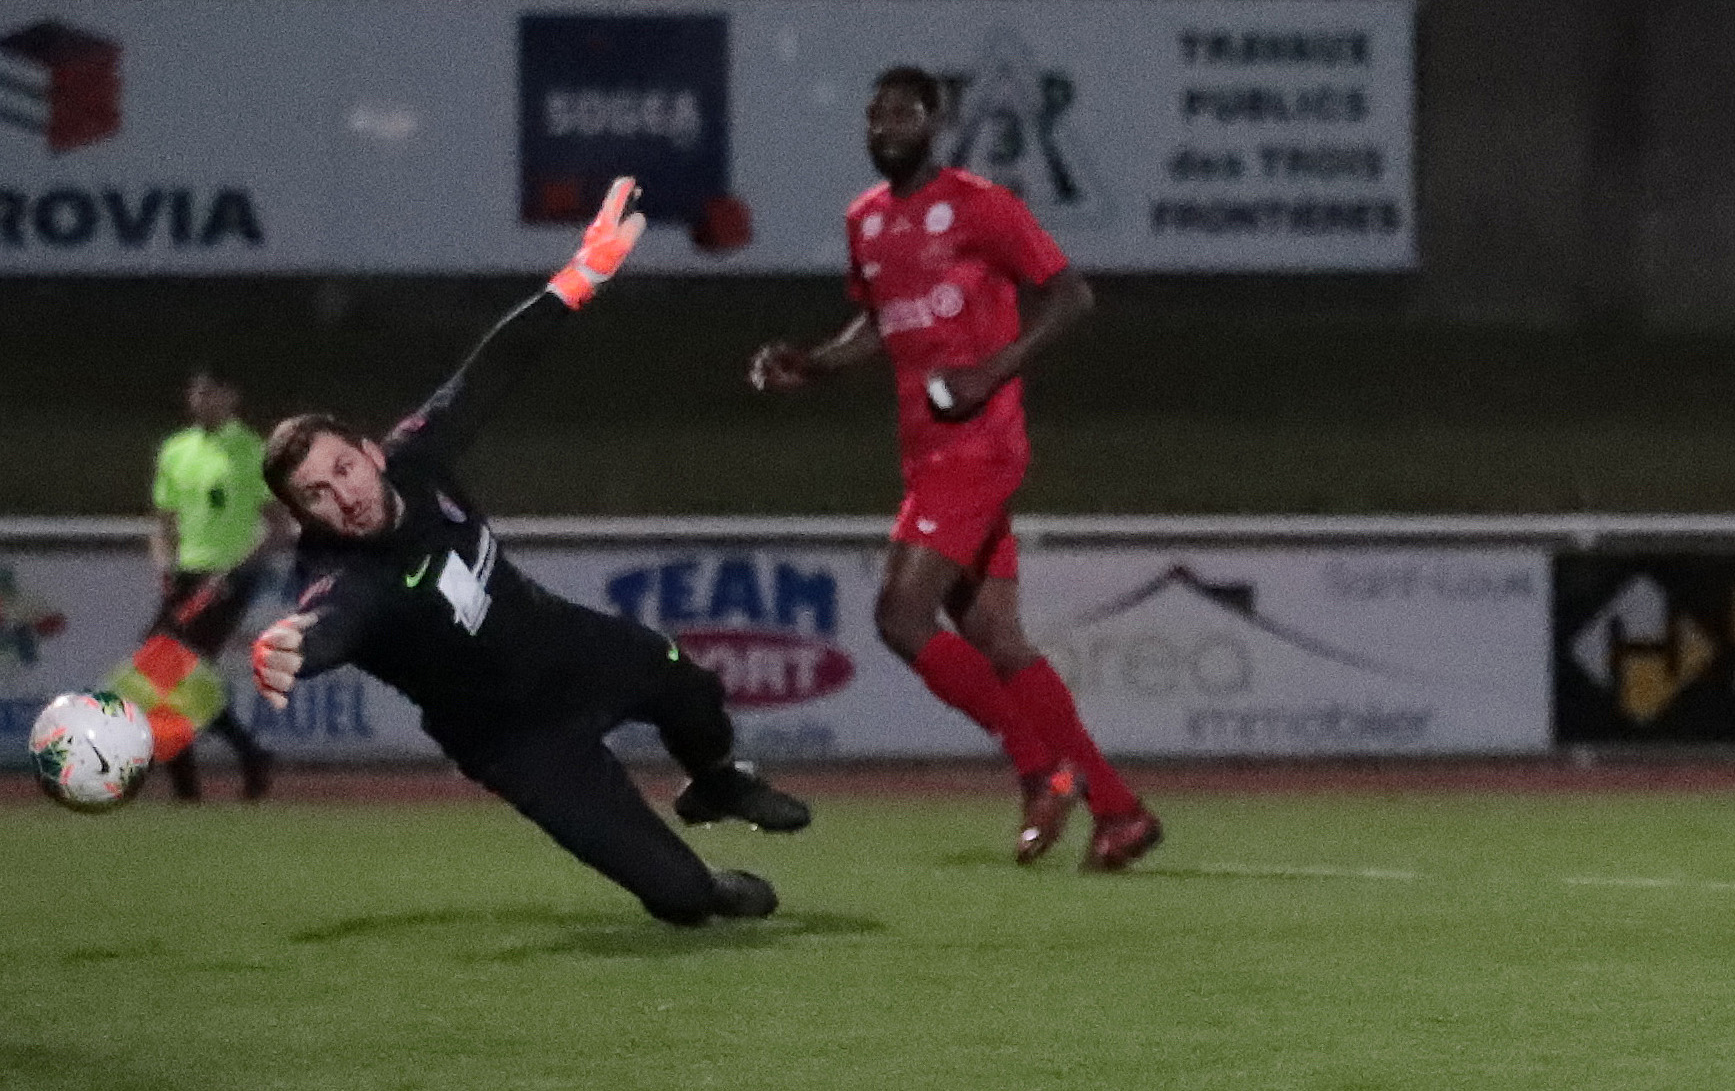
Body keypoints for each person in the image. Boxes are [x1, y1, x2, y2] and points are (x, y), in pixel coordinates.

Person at [246, 179, 809, 926]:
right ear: (299, 516)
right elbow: (331, 622)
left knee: (691, 688)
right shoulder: (342, 575)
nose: (341, 496)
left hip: (567, 646)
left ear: (371, 454)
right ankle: (702, 885)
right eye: (315, 495)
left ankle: (717, 782)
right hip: (512, 740)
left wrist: (577, 278)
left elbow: (490, 371)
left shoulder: (416, 458)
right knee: (681, 901)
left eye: (343, 469)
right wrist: (295, 648)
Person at [748, 66, 1162, 872]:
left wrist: (988, 373)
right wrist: (816, 364)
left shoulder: (980, 206)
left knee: (900, 617)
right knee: (997, 639)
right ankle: (1119, 813)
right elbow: (880, 320)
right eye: (875, 116)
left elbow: (1071, 296)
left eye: (903, 113)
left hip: (979, 446)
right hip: (927, 452)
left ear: (936, 122)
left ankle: (1042, 771)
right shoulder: (865, 220)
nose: (886, 128)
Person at [148, 366, 288, 800]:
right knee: (165, 674)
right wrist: (166, 567)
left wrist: (236, 572)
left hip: (229, 577)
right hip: (186, 576)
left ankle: (192, 785)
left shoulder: (251, 451)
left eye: (211, 393)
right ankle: (246, 757)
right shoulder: (176, 449)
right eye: (196, 393)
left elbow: (278, 526)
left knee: (168, 669)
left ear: (231, 397)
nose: (201, 401)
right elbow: (163, 521)